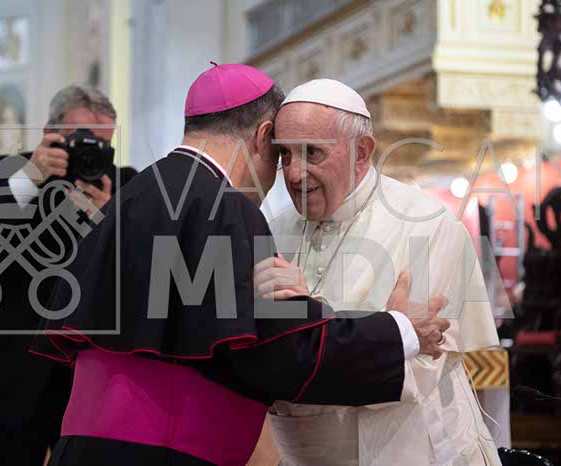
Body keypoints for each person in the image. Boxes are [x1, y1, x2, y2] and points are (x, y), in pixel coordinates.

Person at [31, 63, 450, 466]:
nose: (287, 175)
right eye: (281, 154)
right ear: (264, 136)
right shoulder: (224, 207)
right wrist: (399, 331)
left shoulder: (131, 195)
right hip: (163, 453)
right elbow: (284, 351)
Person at [254, 79, 502, 466]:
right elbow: (263, 358)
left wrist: (307, 317)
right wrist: (384, 330)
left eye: (312, 152)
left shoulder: (427, 225)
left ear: (361, 151)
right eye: (284, 154)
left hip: (410, 451)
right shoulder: (273, 229)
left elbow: (411, 370)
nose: (295, 174)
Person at [0, 85, 138, 466]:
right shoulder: (7, 172)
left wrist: (110, 218)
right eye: (80, 140)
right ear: (50, 132)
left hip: (91, 385)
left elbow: (143, 274)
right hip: (10, 378)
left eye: (102, 143)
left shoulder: (126, 185)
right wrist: (28, 178)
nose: (90, 151)